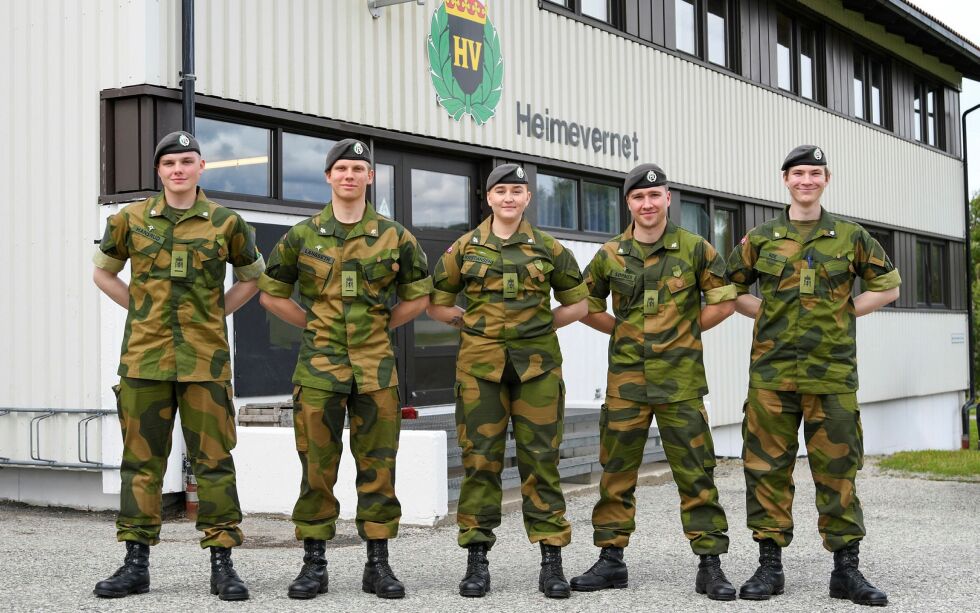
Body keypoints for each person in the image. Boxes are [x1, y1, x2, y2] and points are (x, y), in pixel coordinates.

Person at [92, 130, 264, 601]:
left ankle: (222, 563)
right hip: (144, 361)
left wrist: (216, 313)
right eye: (170, 163)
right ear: (159, 172)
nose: (178, 170)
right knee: (141, 464)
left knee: (214, 463)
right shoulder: (130, 219)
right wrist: (140, 310)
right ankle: (135, 564)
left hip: (204, 364)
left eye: (187, 161)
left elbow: (252, 279)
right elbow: (102, 272)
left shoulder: (227, 223)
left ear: (201, 167)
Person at [257, 138, 431, 600]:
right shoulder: (302, 236)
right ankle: (314, 564)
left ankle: (379, 565)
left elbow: (419, 297)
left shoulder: (396, 237)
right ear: (328, 177)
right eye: (342, 169)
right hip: (318, 372)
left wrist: (380, 325)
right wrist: (312, 322)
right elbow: (271, 294)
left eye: (359, 168)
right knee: (316, 467)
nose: (350, 175)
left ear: (370, 177)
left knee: (379, 467)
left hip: (376, 371)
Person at [726, 145, 900, 606]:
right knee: (766, 470)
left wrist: (845, 311)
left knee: (839, 471)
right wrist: (764, 313)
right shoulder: (761, 237)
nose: (807, 180)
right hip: (772, 375)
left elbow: (888, 286)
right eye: (799, 172)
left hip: (832, 375)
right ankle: (769, 567)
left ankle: (846, 571)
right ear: (785, 179)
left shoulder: (850, 236)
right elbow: (730, 289)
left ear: (826, 179)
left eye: (815, 173)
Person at [569, 163, 737, 600]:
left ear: (667, 199)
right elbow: (584, 304)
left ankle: (710, 563)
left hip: (680, 381)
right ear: (629, 203)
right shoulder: (610, 254)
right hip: (626, 382)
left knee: (695, 472)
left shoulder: (695, 248)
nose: (647, 203)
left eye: (654, 195)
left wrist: (682, 331)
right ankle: (610, 560)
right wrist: (627, 331)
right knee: (616, 471)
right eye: (638, 197)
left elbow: (724, 301)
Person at [427, 163, 588, 599]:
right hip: (480, 370)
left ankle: (551, 562)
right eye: (502, 191)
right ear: (489, 197)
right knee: (480, 463)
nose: (510, 198)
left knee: (542, 462)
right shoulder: (464, 248)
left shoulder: (549, 249)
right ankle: (477, 562)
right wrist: (471, 323)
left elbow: (579, 303)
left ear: (528, 198)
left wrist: (539, 326)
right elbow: (437, 305)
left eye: (518, 191)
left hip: (537, 369)